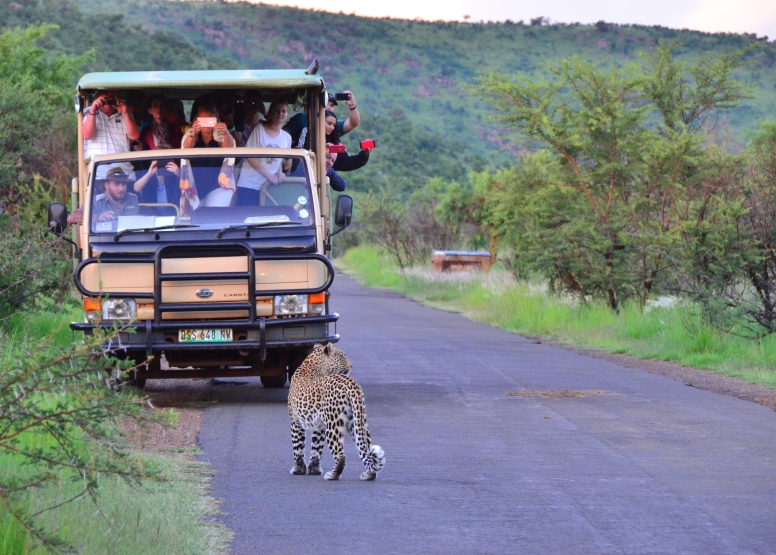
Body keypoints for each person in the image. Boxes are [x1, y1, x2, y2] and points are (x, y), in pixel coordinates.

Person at [236, 101, 292, 206]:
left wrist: (280, 173)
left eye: (283, 111)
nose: (280, 114)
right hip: (250, 184)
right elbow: (249, 156)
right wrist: (270, 176)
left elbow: (280, 160)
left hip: (270, 186)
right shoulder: (259, 129)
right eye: (277, 111)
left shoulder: (287, 137)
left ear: (287, 114)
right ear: (270, 113)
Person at [181, 106, 234, 200]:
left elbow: (229, 149)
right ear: (197, 121)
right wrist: (193, 132)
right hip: (195, 185)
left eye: (210, 119)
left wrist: (225, 132)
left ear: (216, 120)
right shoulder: (192, 133)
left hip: (217, 185)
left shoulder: (220, 133)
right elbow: (186, 149)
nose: (207, 123)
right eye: (203, 120)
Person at [284, 90, 360, 147]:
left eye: (332, 105)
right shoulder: (302, 118)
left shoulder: (333, 125)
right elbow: (283, 135)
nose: (329, 108)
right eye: (326, 104)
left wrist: (352, 105)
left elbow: (354, 123)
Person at [82, 91, 141, 160]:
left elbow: (134, 136)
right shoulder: (89, 112)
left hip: (122, 166)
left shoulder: (126, 114)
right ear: (97, 96)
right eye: (105, 93)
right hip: (97, 167)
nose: (108, 97)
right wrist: (92, 111)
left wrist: (125, 113)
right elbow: (87, 135)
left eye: (112, 95)